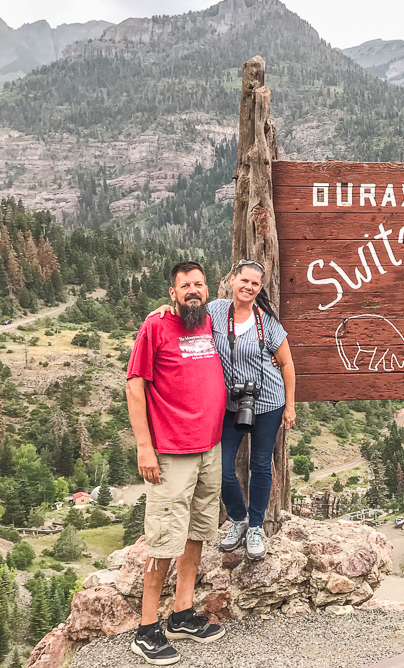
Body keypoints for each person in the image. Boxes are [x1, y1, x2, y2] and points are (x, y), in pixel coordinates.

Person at [153, 259, 296, 561]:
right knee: (222, 468)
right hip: (230, 403)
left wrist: (290, 406)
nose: (248, 287)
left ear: (260, 288)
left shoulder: (268, 322)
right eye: (244, 280)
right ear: (232, 280)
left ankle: (256, 526)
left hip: (268, 401)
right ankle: (238, 518)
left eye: (255, 284)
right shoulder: (216, 311)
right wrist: (162, 309)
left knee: (259, 464)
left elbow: (287, 364)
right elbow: (184, 312)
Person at [126, 261, 227, 665]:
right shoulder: (155, 327)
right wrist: (144, 448)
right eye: (184, 286)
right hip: (170, 452)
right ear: (172, 293)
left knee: (196, 533)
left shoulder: (207, 321)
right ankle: (147, 629)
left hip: (209, 448)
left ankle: (182, 614)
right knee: (164, 539)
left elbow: (245, 306)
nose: (192, 291)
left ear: (207, 289)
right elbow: (135, 388)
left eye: (198, 284)